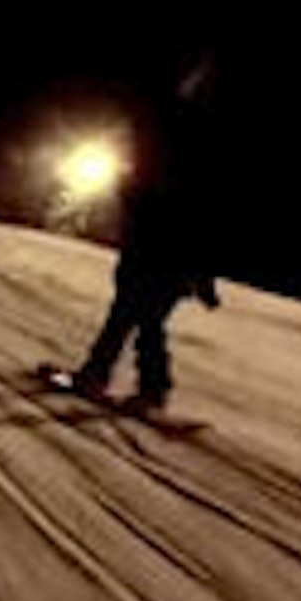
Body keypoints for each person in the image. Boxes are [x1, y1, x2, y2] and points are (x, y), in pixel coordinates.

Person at [73, 57, 222, 411]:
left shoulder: (179, 149)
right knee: (130, 316)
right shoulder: (168, 140)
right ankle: (104, 375)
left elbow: (192, 221)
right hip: (155, 251)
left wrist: (202, 277)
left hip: (163, 255)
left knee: (142, 319)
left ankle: (147, 387)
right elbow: (148, 201)